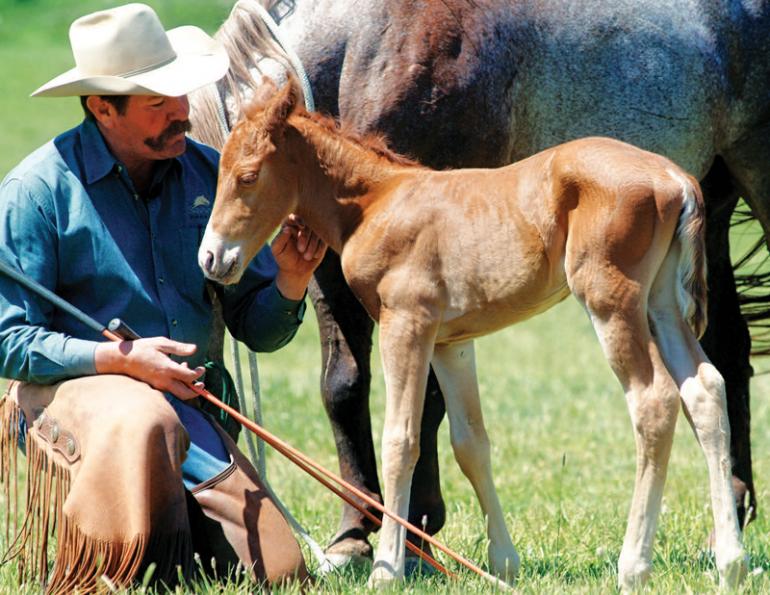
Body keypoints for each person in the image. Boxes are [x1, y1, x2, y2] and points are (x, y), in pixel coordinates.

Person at [0, 3, 326, 592]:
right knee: (144, 417)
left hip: (190, 407)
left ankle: (172, 532)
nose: (182, 110)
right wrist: (120, 361)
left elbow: (259, 330)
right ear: (102, 108)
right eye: (158, 102)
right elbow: (9, 342)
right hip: (71, 398)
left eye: (180, 92)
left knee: (283, 573)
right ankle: (117, 561)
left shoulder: (207, 172)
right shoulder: (35, 191)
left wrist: (290, 281)